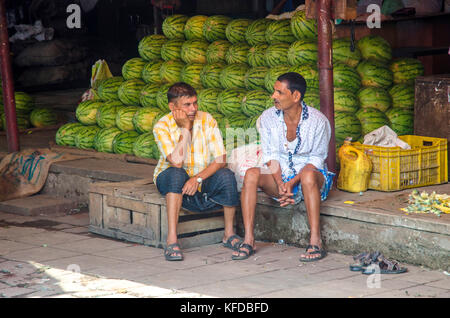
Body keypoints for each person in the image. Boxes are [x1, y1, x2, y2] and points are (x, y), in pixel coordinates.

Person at [232, 72, 335, 262]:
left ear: (296, 96)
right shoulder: (268, 118)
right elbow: (270, 155)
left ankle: (315, 241)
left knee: (309, 176)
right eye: (274, 91)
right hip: (279, 175)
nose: (274, 96)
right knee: (252, 173)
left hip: (309, 178)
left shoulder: (318, 121)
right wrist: (280, 183)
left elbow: (317, 159)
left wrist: (292, 182)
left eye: (279, 92)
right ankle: (249, 240)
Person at [153, 82, 242, 261]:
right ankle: (172, 240)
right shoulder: (161, 126)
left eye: (195, 103)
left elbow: (220, 158)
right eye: (187, 105)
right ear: (173, 107)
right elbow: (177, 162)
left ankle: (229, 234)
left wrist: (198, 179)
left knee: (227, 175)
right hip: (171, 177)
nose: (193, 108)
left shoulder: (207, 119)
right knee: (176, 174)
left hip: (201, 177)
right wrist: (185, 128)